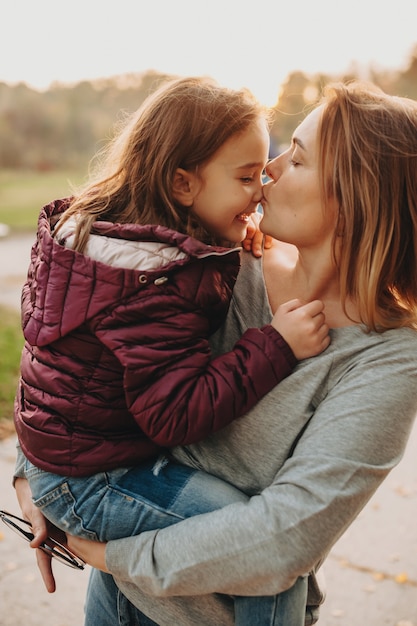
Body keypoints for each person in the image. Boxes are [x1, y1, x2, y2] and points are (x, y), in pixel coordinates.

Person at [45, 79, 417, 625]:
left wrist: (110, 555)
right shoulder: (219, 267)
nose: (270, 169)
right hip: (119, 602)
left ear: (359, 198)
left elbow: (284, 539)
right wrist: (37, 477)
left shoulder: (388, 359)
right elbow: (81, 359)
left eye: (300, 159)